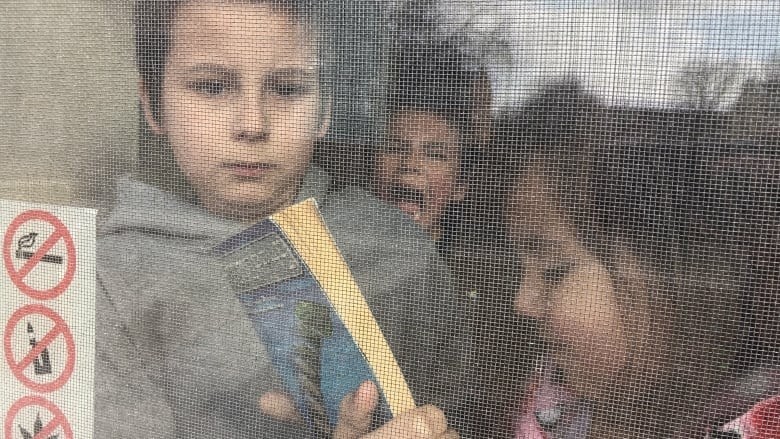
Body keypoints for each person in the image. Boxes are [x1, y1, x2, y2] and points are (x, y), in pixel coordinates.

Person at [94, 1, 461, 437]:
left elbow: (457, 407)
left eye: (287, 89)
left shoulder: (396, 249)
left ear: (325, 109)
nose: (253, 124)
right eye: (212, 87)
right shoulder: (113, 273)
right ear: (153, 106)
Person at [464, 85, 780, 437]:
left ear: (668, 280)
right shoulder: (547, 401)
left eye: (554, 271)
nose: (521, 303)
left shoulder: (755, 422)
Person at [374, 38, 490, 256]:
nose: (409, 164)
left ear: (460, 186)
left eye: (435, 155)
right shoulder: (339, 250)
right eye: (395, 148)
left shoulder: (472, 271)